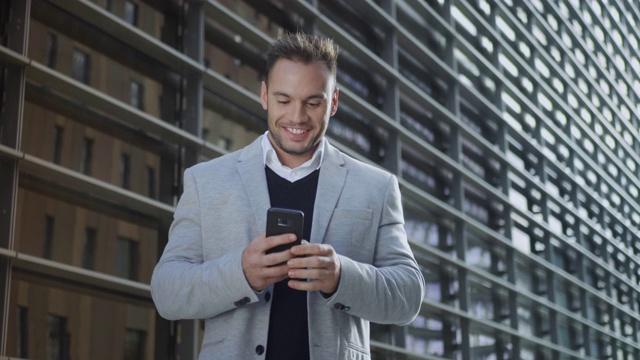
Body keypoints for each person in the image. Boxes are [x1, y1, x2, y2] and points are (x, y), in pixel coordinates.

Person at [151, 32, 425, 360]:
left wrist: (340, 276)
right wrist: (240, 273)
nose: (296, 117)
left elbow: (408, 296)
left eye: (312, 102)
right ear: (264, 95)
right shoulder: (206, 180)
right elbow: (167, 292)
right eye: (284, 100)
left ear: (333, 101)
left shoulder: (376, 187)